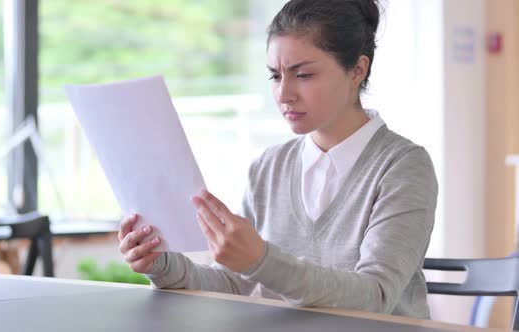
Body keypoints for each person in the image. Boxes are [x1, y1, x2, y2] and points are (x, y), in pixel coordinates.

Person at [118, 0, 437, 319]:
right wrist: (161, 264)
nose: (284, 94)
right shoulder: (269, 167)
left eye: (304, 75)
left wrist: (261, 260)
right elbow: (233, 283)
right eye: (275, 76)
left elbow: (376, 295)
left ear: (357, 70)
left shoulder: (404, 167)